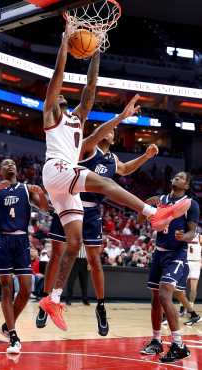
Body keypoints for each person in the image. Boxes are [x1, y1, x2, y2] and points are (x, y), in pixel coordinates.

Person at [39, 26, 191, 332]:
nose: (68, 102)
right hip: (55, 168)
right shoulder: (51, 113)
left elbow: (90, 89)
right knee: (105, 183)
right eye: (64, 100)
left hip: (65, 182)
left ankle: (52, 298)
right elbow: (57, 78)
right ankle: (154, 214)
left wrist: (96, 51)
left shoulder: (78, 118)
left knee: (74, 242)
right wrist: (64, 45)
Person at [37, 96, 159, 335]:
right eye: (108, 129)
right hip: (69, 201)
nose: (111, 133)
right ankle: (47, 299)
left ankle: (100, 307)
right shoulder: (86, 147)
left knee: (95, 261)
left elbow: (124, 170)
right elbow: (94, 134)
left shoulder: (112, 159)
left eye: (114, 131)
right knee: (56, 255)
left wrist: (145, 157)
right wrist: (120, 118)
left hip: (91, 214)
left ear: (114, 137)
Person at [0, 159, 48, 354]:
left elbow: (44, 207)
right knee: (6, 287)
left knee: (27, 289)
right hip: (2, 240)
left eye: (12, 163)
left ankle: (6, 326)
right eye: (5, 164)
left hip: (21, 241)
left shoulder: (26, 189)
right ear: (0, 170)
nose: (10, 165)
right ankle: (13, 335)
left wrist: (41, 193)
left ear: (16, 169)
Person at [140, 172, 200, 363]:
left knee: (166, 294)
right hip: (159, 253)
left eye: (181, 177)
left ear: (187, 185)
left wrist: (185, 237)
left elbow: (192, 232)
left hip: (177, 255)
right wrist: (145, 208)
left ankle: (179, 345)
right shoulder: (160, 200)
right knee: (155, 299)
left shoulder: (190, 204)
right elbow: (142, 220)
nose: (176, 178)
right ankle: (156, 341)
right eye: (175, 176)